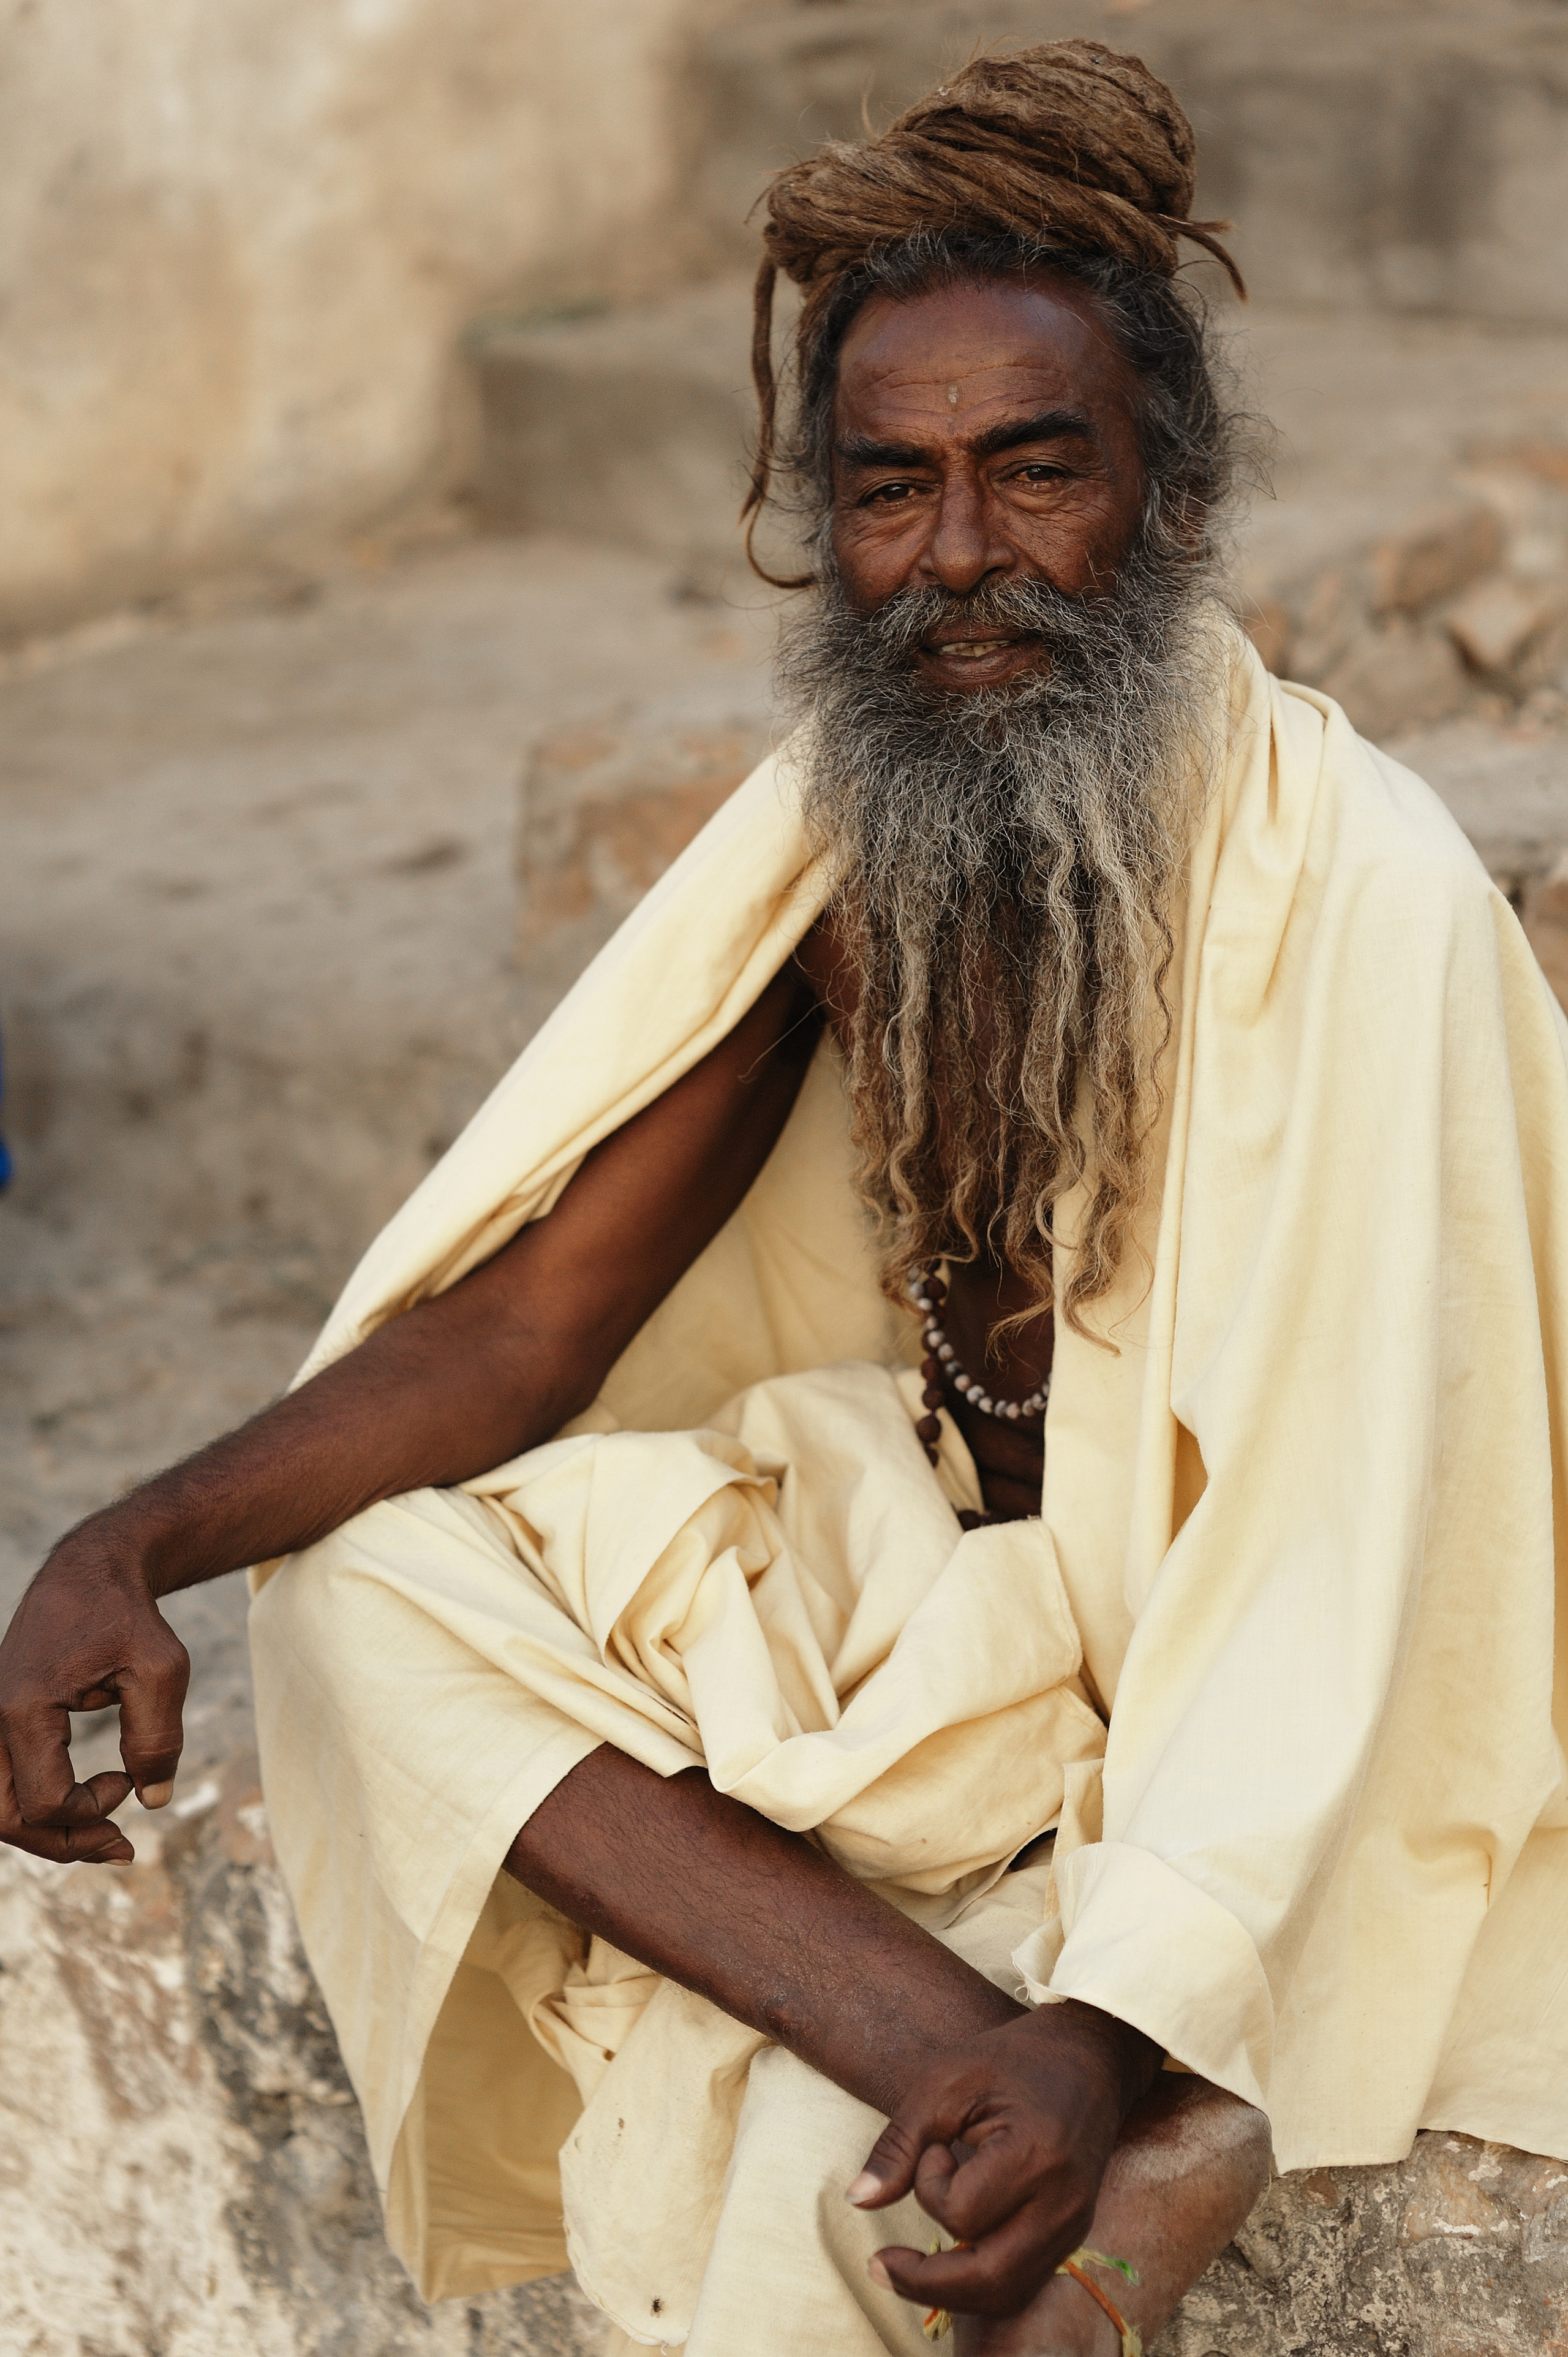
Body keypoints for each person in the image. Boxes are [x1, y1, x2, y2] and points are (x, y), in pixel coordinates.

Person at [3, 39, 1566, 2357]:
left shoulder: (1372, 898)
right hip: (989, 1633)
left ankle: (1088, 2063)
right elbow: (534, 1329)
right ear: (809, 515)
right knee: (368, 1592)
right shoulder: (852, 853)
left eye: (1037, 473)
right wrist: (117, 1544)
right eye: (887, 489)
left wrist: (1115, 2003)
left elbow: (1352, 1554)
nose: (956, 561)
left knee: (802, 2224)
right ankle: (989, 2071)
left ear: (1176, 487)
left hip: (1293, 1684)